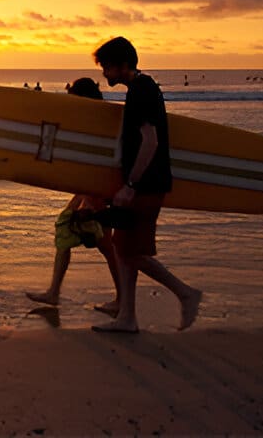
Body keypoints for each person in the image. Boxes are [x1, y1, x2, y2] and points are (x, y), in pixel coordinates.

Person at [92, 36, 202, 333]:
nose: (104, 73)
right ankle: (127, 317)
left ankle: (185, 293)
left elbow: (150, 142)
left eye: (107, 67)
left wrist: (130, 185)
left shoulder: (141, 91)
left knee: (131, 252)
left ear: (122, 65)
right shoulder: (142, 87)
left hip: (145, 185)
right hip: (145, 182)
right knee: (123, 247)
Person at [26, 78, 120, 313]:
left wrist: (89, 199)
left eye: (74, 97)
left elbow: (101, 160)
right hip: (90, 187)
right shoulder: (89, 119)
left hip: (98, 189)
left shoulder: (99, 122)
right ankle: (54, 293)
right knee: (65, 229)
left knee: (106, 246)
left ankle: (123, 299)